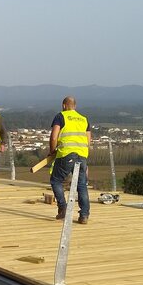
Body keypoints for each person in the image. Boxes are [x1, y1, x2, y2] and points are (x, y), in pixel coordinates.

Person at [48, 96, 91, 224]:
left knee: (56, 180)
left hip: (66, 153)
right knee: (81, 185)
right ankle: (84, 215)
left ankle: (63, 208)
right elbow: (89, 140)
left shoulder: (61, 116)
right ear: (75, 106)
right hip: (82, 154)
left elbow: (54, 136)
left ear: (63, 105)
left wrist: (52, 150)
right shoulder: (84, 119)